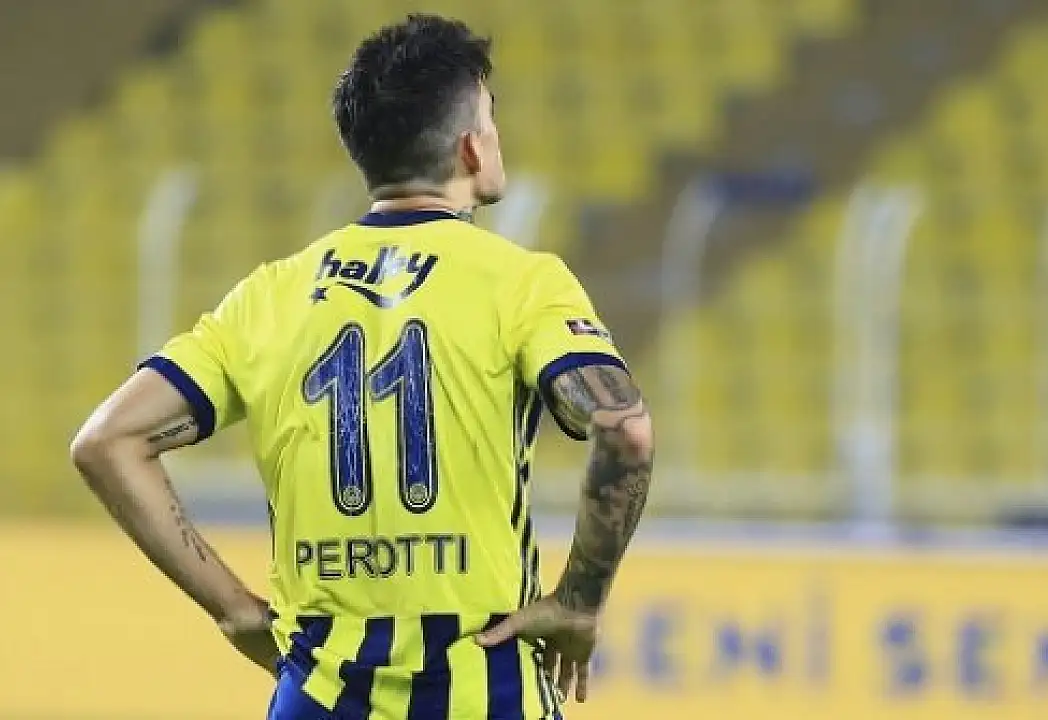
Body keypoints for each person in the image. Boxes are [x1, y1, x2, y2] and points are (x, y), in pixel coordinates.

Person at [70, 13, 654, 720]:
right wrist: (580, 601)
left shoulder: (270, 295)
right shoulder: (522, 283)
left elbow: (107, 441)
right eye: (491, 116)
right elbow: (624, 426)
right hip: (487, 686)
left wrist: (233, 608)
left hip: (319, 691)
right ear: (471, 148)